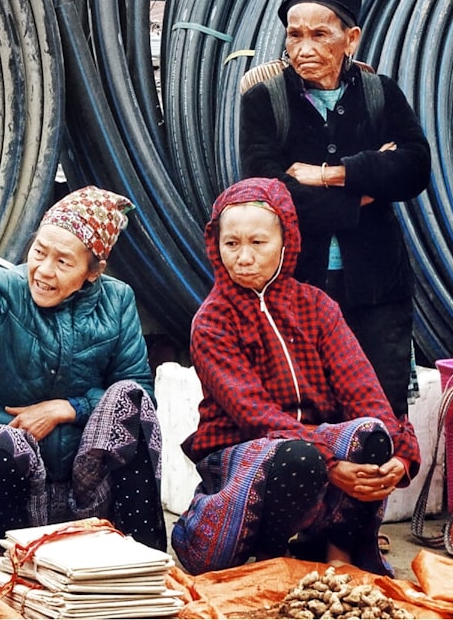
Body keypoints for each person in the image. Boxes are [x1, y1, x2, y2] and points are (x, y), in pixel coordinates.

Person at [0, 153, 165, 574]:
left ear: (92, 271)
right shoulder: (3, 292)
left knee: (128, 400)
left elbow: (139, 393)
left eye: (63, 262)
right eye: (39, 252)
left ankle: (143, 558)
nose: (43, 271)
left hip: (87, 492)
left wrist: (69, 408)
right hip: (13, 485)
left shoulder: (117, 301)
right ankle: (6, 563)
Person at [171, 177, 421, 577]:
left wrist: (399, 455)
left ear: (286, 241)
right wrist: (330, 463)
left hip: (310, 445)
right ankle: (270, 556)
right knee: (298, 458)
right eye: (231, 243)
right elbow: (255, 414)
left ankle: (340, 558)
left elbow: (362, 388)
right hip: (244, 449)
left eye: (258, 242)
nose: (244, 256)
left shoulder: (317, 306)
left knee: (374, 433)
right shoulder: (212, 320)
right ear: (215, 246)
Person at [239, 0, 431, 419]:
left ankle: (369, 493)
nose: (303, 48)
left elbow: (415, 168)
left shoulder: (379, 93)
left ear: (351, 38)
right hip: (296, 284)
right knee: (304, 410)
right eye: (294, 35)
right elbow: (273, 197)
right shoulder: (264, 101)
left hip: (377, 289)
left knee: (378, 414)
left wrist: (332, 174)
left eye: (320, 35)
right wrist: (366, 189)